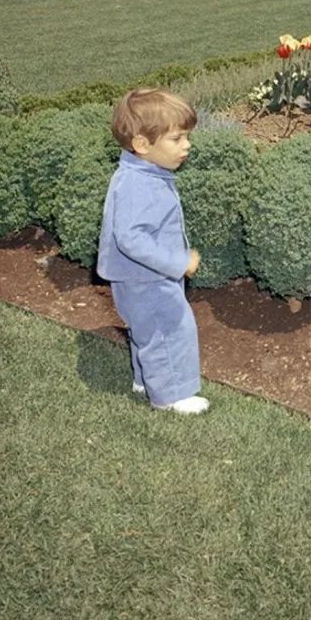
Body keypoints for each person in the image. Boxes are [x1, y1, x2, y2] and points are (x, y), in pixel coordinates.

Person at [97, 87, 208, 414]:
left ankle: (146, 379)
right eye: (176, 139)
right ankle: (171, 396)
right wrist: (177, 261)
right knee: (169, 329)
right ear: (142, 145)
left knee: (148, 329)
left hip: (139, 278)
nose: (187, 145)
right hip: (146, 278)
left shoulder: (142, 172)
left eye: (187, 136)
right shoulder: (138, 184)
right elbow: (132, 238)